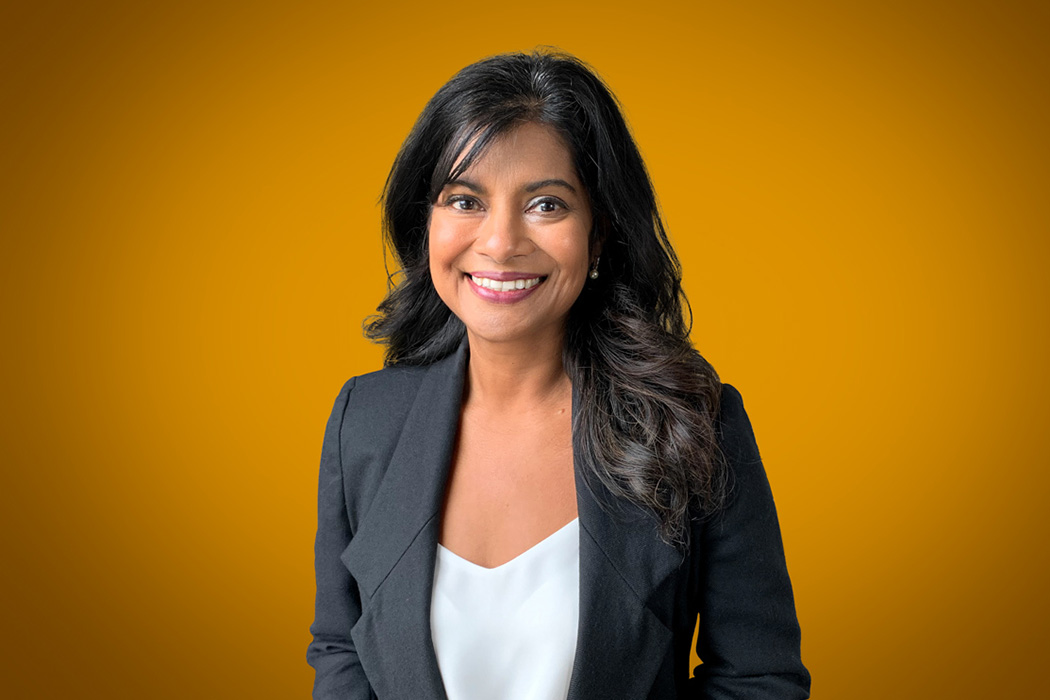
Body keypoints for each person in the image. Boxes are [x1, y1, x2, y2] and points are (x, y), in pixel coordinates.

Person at [307, 50, 810, 700]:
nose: (499, 241)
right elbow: (341, 646)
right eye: (465, 200)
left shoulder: (694, 425)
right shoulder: (364, 422)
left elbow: (758, 680)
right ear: (425, 223)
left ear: (599, 235)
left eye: (546, 205)